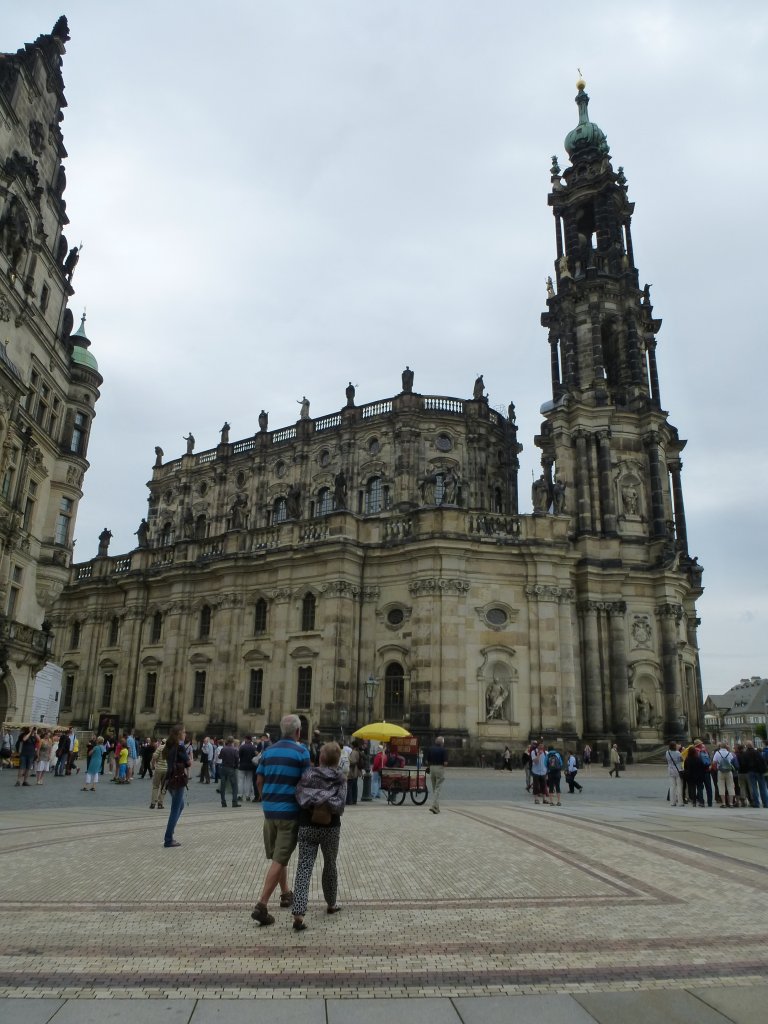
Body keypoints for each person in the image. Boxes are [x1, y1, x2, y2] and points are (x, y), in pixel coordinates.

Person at [251, 714, 310, 926]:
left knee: (278, 855)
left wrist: (265, 798)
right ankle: (262, 905)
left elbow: (259, 780)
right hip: (289, 813)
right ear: (298, 732)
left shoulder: (268, 751)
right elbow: (306, 783)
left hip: (270, 811)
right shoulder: (302, 752)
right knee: (280, 858)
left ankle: (286, 894)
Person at [290, 742, 347, 930]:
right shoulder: (340, 778)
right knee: (330, 864)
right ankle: (331, 904)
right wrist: (326, 798)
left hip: (307, 825)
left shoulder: (308, 774)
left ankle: (298, 913)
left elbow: (300, 797)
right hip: (331, 827)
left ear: (321, 757)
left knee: (304, 867)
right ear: (337, 759)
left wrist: (314, 798)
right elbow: (339, 805)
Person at [162, 724, 189, 847]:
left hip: (169, 779)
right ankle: (168, 838)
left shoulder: (169, 745)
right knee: (175, 809)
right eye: (184, 732)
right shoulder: (180, 747)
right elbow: (188, 762)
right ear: (179, 734)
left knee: (181, 805)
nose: (185, 734)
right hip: (178, 779)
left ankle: (171, 830)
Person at [425, 736, 448, 814]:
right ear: (442, 743)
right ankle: (434, 806)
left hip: (432, 768)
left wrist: (429, 767)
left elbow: (427, 761)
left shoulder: (430, 749)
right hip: (439, 768)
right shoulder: (443, 750)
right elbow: (445, 763)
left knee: (434, 788)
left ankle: (436, 808)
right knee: (438, 788)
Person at [712, 742, 736, 809]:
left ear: (720, 747)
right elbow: (732, 761)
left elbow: (714, 762)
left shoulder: (717, 753)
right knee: (730, 786)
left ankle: (723, 803)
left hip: (720, 771)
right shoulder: (729, 753)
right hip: (729, 771)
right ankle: (731, 803)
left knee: (721, 786)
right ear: (726, 747)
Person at [218, 736, 241, 808]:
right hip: (231, 768)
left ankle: (223, 802)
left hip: (223, 768)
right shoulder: (235, 750)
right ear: (233, 741)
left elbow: (220, 757)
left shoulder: (223, 749)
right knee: (234, 786)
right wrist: (236, 766)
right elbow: (237, 759)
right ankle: (234, 802)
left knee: (223, 785)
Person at [149, 739, 168, 810]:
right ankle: (160, 803)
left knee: (155, 786)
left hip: (158, 769)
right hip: (166, 770)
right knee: (164, 787)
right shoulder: (170, 748)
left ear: (162, 742)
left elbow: (154, 757)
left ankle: (153, 803)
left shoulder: (160, 747)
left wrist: (153, 765)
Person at [665, 742, 684, 806]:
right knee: (679, 786)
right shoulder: (678, 753)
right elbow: (682, 759)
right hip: (678, 770)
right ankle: (680, 802)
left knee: (672, 787)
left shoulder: (667, 752)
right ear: (674, 746)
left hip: (670, 770)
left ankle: (672, 802)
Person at [238, 735, 256, 801]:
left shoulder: (242, 747)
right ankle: (248, 796)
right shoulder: (254, 747)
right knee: (249, 781)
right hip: (251, 766)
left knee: (241, 781)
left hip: (242, 765)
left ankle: (240, 795)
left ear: (246, 739)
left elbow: (239, 756)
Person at [346, 741, 361, 805]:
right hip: (356, 771)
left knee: (350, 786)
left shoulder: (354, 752)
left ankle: (350, 800)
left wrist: (348, 761)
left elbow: (352, 761)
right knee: (354, 785)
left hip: (353, 771)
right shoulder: (358, 751)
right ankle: (354, 800)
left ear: (353, 745)